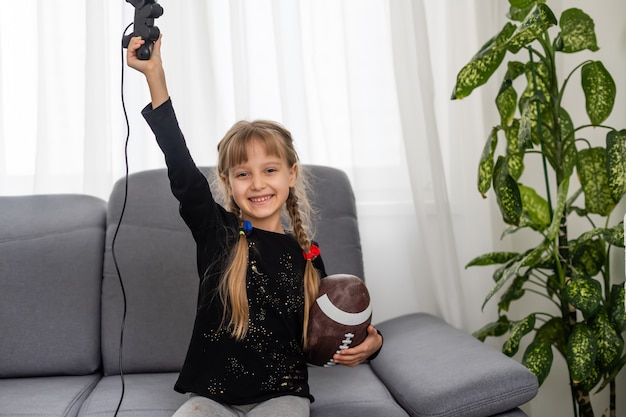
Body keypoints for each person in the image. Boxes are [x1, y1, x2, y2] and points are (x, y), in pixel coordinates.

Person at [126, 35, 383, 417]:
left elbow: (325, 335)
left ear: (291, 175)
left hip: (282, 395)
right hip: (211, 398)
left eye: (270, 170)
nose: (258, 184)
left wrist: (371, 343)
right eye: (243, 173)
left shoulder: (308, 256)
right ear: (228, 182)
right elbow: (181, 168)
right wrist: (155, 76)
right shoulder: (218, 233)